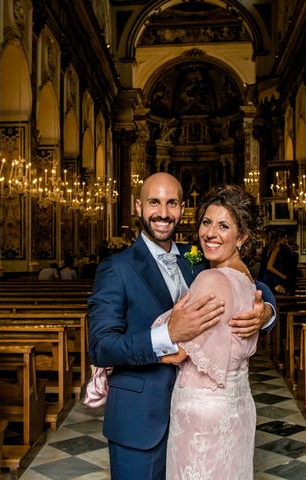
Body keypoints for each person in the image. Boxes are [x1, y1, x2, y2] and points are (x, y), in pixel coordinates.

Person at [88, 172, 276, 480]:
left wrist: (266, 311)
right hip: (141, 423)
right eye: (154, 202)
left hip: (200, 423)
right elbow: (101, 347)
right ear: (138, 206)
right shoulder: (116, 268)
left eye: (171, 203)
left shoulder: (201, 259)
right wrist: (168, 335)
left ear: (182, 207)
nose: (163, 212)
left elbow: (245, 282)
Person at [158, 184, 261, 478]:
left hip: (201, 414)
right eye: (206, 222)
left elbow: (178, 352)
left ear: (242, 237)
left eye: (223, 226)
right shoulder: (247, 279)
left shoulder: (211, 278)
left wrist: (129, 353)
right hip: (238, 405)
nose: (210, 233)